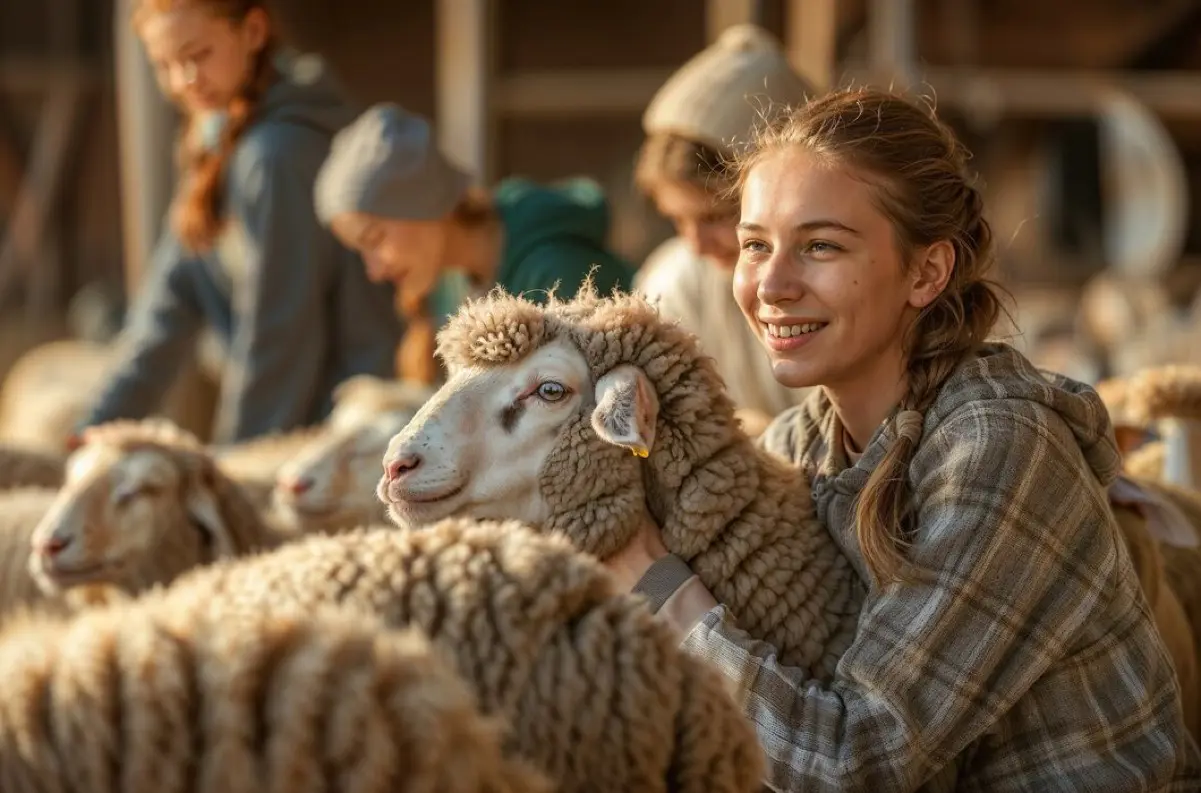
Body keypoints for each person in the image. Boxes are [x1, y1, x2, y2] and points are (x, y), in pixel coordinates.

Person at [604, 86, 1201, 790]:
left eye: (819, 246)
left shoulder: (1000, 444)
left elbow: (856, 762)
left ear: (925, 271)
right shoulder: (799, 445)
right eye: (754, 244)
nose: (770, 283)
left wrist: (658, 588)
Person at [80, 0, 402, 444]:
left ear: (252, 31)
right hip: (295, 428)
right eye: (165, 64)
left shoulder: (278, 154)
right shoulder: (213, 138)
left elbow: (281, 331)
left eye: (198, 55)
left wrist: (239, 461)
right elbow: (163, 312)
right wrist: (88, 433)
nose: (183, 80)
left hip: (340, 433)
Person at [314, 103, 638, 383]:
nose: (374, 271)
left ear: (424, 202)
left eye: (374, 238)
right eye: (361, 252)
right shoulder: (451, 285)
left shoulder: (558, 275)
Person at [634, 24, 814, 420]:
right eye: (677, 220)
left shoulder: (833, 282)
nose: (695, 243)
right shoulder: (675, 280)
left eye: (714, 216)